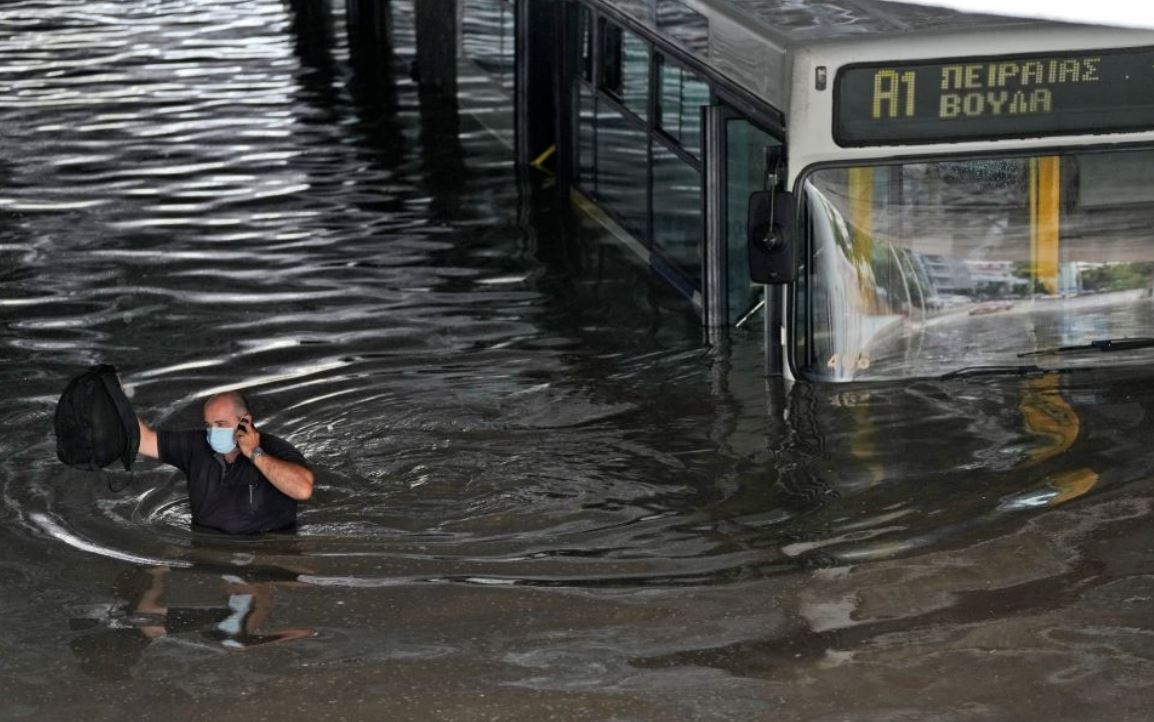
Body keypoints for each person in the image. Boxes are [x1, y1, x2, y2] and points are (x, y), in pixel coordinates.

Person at [136, 391, 313, 534]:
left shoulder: (276, 449)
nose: (213, 432)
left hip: (266, 551)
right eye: (209, 425)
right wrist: (113, 393)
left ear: (245, 421)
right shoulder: (196, 445)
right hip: (206, 546)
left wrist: (254, 453)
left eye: (221, 424)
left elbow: (303, 489)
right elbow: (143, 441)